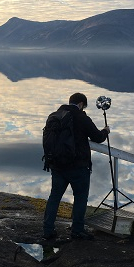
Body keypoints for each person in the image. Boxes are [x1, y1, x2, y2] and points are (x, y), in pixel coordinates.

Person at [43, 92, 110, 240]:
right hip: (78, 167)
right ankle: (77, 230)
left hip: (57, 166)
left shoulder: (54, 115)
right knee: (80, 197)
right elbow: (97, 137)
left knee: (54, 197)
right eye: (83, 106)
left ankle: (47, 230)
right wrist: (106, 131)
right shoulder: (81, 117)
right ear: (81, 104)